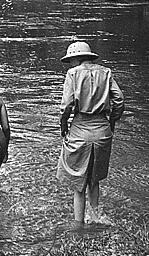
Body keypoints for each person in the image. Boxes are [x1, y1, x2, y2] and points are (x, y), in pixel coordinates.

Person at [56, 41, 124, 225]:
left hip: (80, 130)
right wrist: (111, 122)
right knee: (94, 180)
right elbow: (119, 100)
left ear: (76, 58)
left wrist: (63, 127)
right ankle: (95, 219)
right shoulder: (106, 72)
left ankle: (79, 227)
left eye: (70, 60)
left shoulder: (73, 74)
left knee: (79, 184)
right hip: (102, 131)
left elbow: (66, 107)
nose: (70, 64)